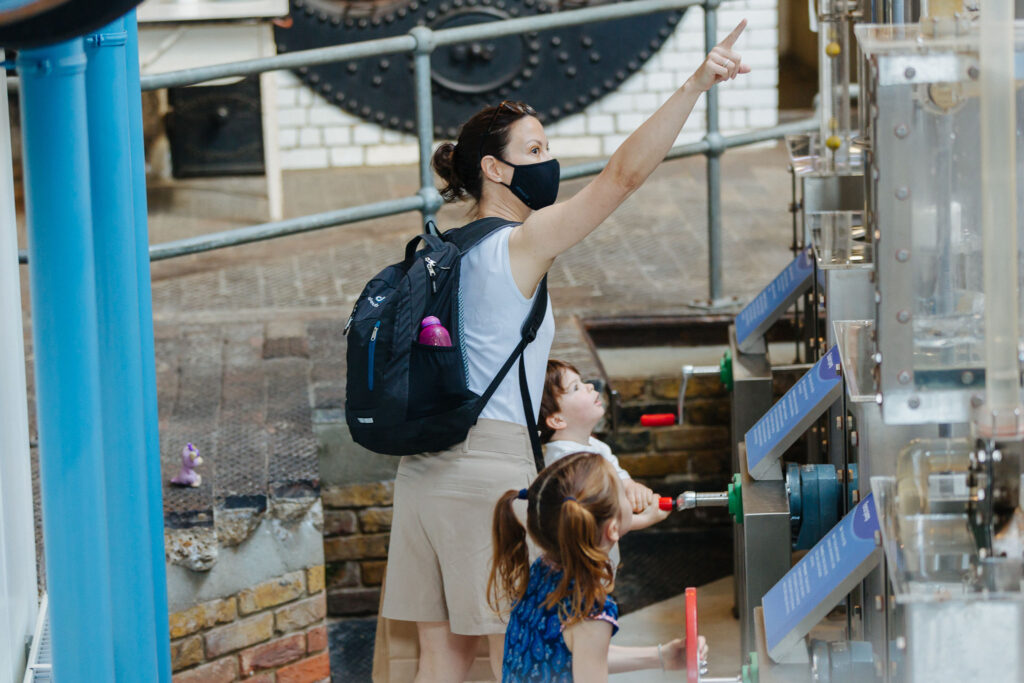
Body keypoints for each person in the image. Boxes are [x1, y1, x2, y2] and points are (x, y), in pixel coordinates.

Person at [379, 19, 749, 683]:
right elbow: (623, 176)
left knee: (440, 659)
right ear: (495, 169)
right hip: (489, 477)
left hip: (422, 473)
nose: (549, 160)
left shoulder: (438, 252)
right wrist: (696, 82)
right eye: (536, 148)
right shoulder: (516, 243)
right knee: (509, 655)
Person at [488, 451, 709, 681]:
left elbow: (573, 653)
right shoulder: (590, 609)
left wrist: (663, 657)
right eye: (621, 494)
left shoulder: (543, 569)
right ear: (612, 529)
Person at [540, 358, 667, 524]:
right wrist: (645, 519)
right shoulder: (567, 462)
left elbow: (621, 479)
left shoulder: (596, 445)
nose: (590, 386)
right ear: (557, 420)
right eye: (576, 387)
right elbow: (593, 520)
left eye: (583, 381)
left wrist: (634, 489)